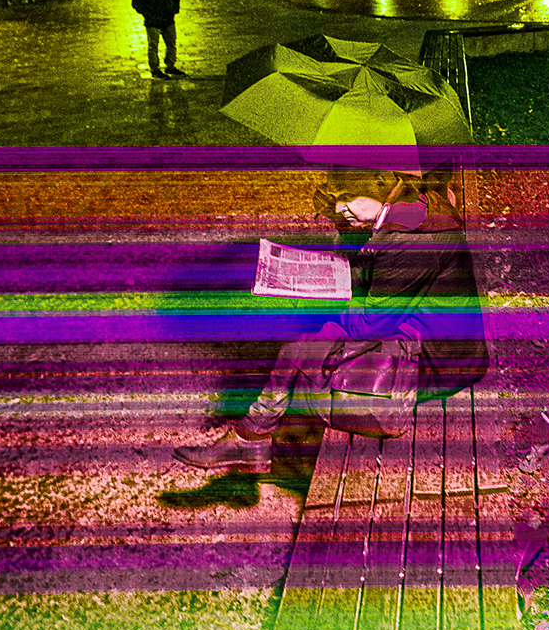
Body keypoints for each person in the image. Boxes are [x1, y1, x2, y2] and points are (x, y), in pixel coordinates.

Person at [173, 167, 487, 472]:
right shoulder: (410, 206)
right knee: (305, 337)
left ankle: (251, 439)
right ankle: (253, 436)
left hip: (439, 362)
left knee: (300, 346)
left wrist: (320, 310)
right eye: (334, 197)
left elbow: (371, 326)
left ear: (380, 183)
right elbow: (377, 282)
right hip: (437, 343)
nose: (340, 208)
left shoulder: (411, 238)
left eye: (348, 197)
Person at [132, 0, 185, 79]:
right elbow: (136, 2)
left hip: (167, 19)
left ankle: (170, 66)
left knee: (171, 45)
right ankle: (155, 69)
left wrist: (173, 10)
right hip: (152, 20)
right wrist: (147, 13)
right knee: (153, 46)